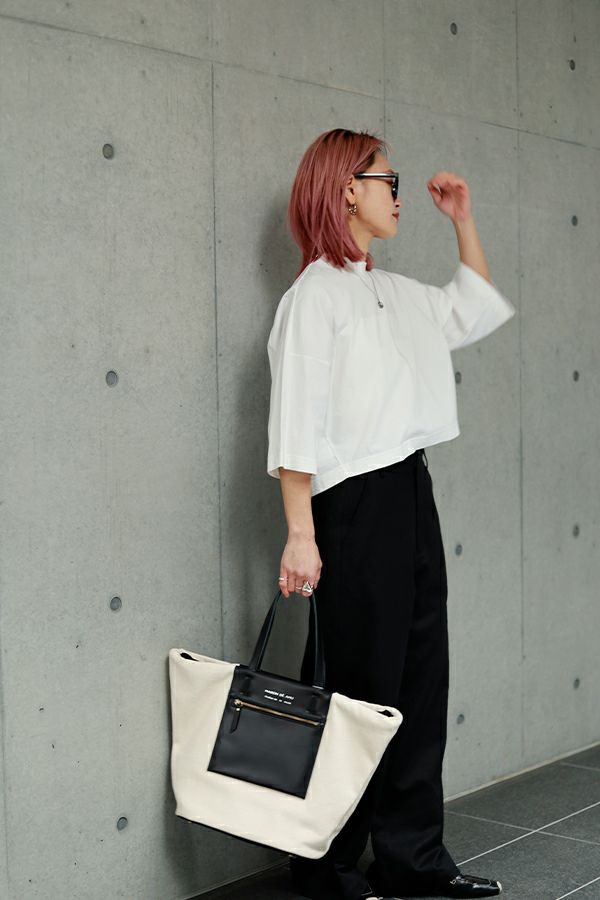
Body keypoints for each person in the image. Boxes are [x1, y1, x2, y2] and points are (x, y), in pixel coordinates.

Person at [266, 128, 516, 900]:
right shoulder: (313, 296)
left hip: (410, 493)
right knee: (357, 689)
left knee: (419, 680)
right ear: (348, 189)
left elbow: (470, 309)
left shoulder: (396, 292)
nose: (399, 195)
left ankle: (413, 860)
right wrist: (301, 534)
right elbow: (295, 420)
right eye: (388, 180)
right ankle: (328, 867)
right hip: (350, 504)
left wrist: (462, 220)